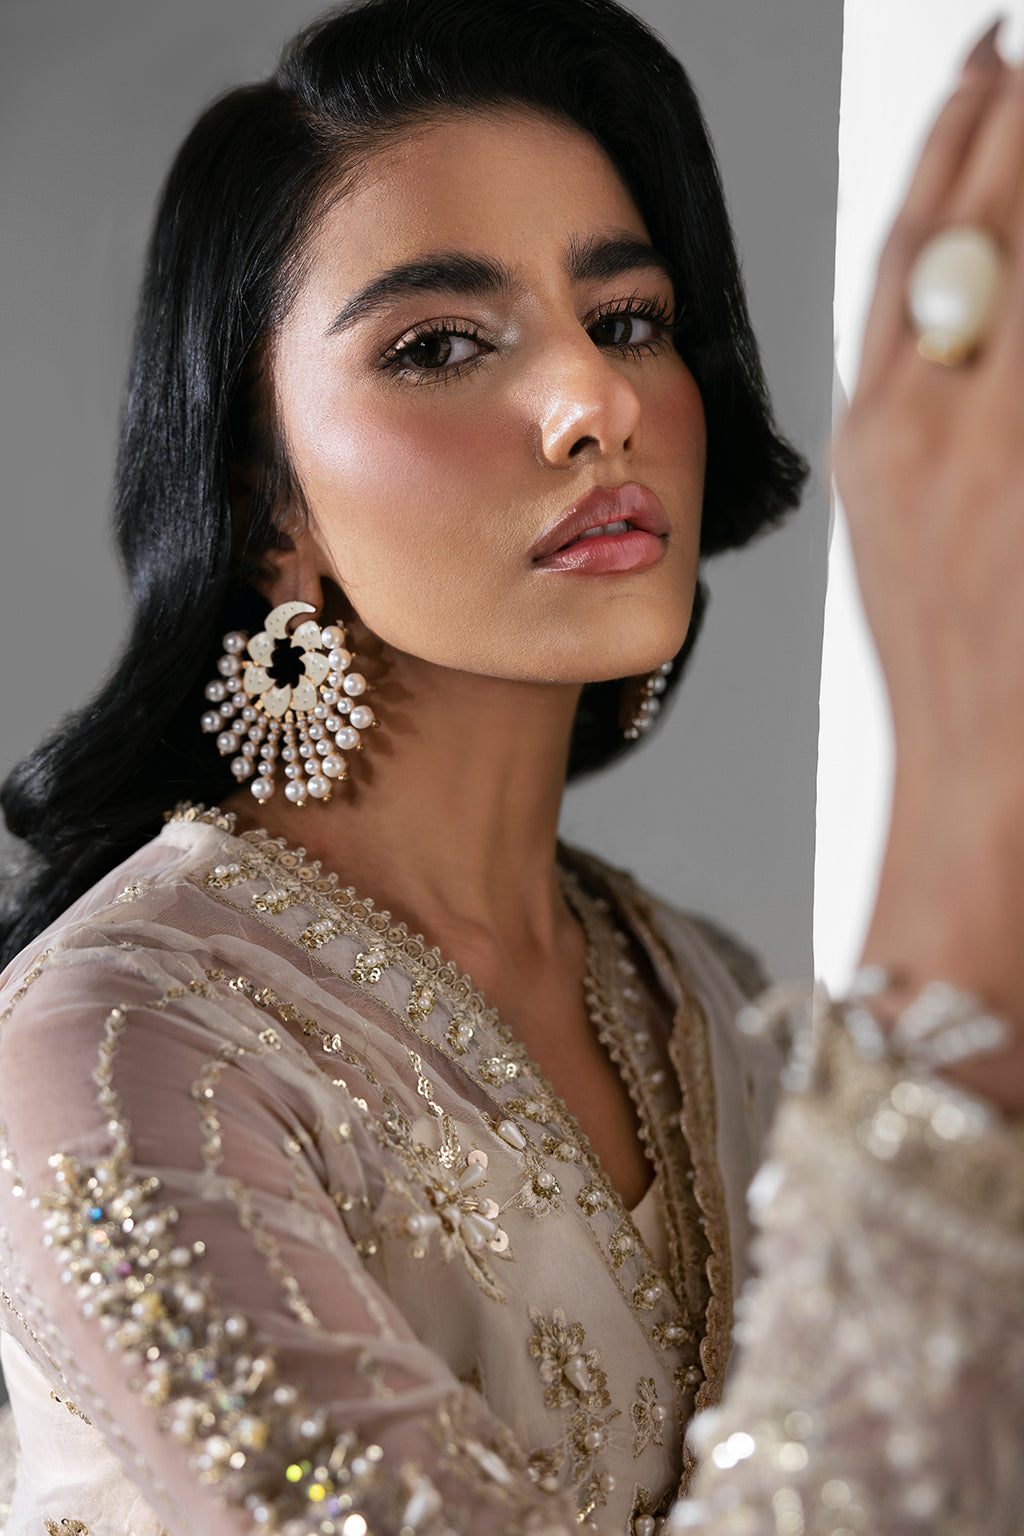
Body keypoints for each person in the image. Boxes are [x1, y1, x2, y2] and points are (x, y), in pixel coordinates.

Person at [0, 2, 1021, 1533]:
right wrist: (959, 870)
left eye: (629, 320)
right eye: (438, 345)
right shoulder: (117, 1051)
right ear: (269, 508)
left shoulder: (708, 999)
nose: (597, 401)